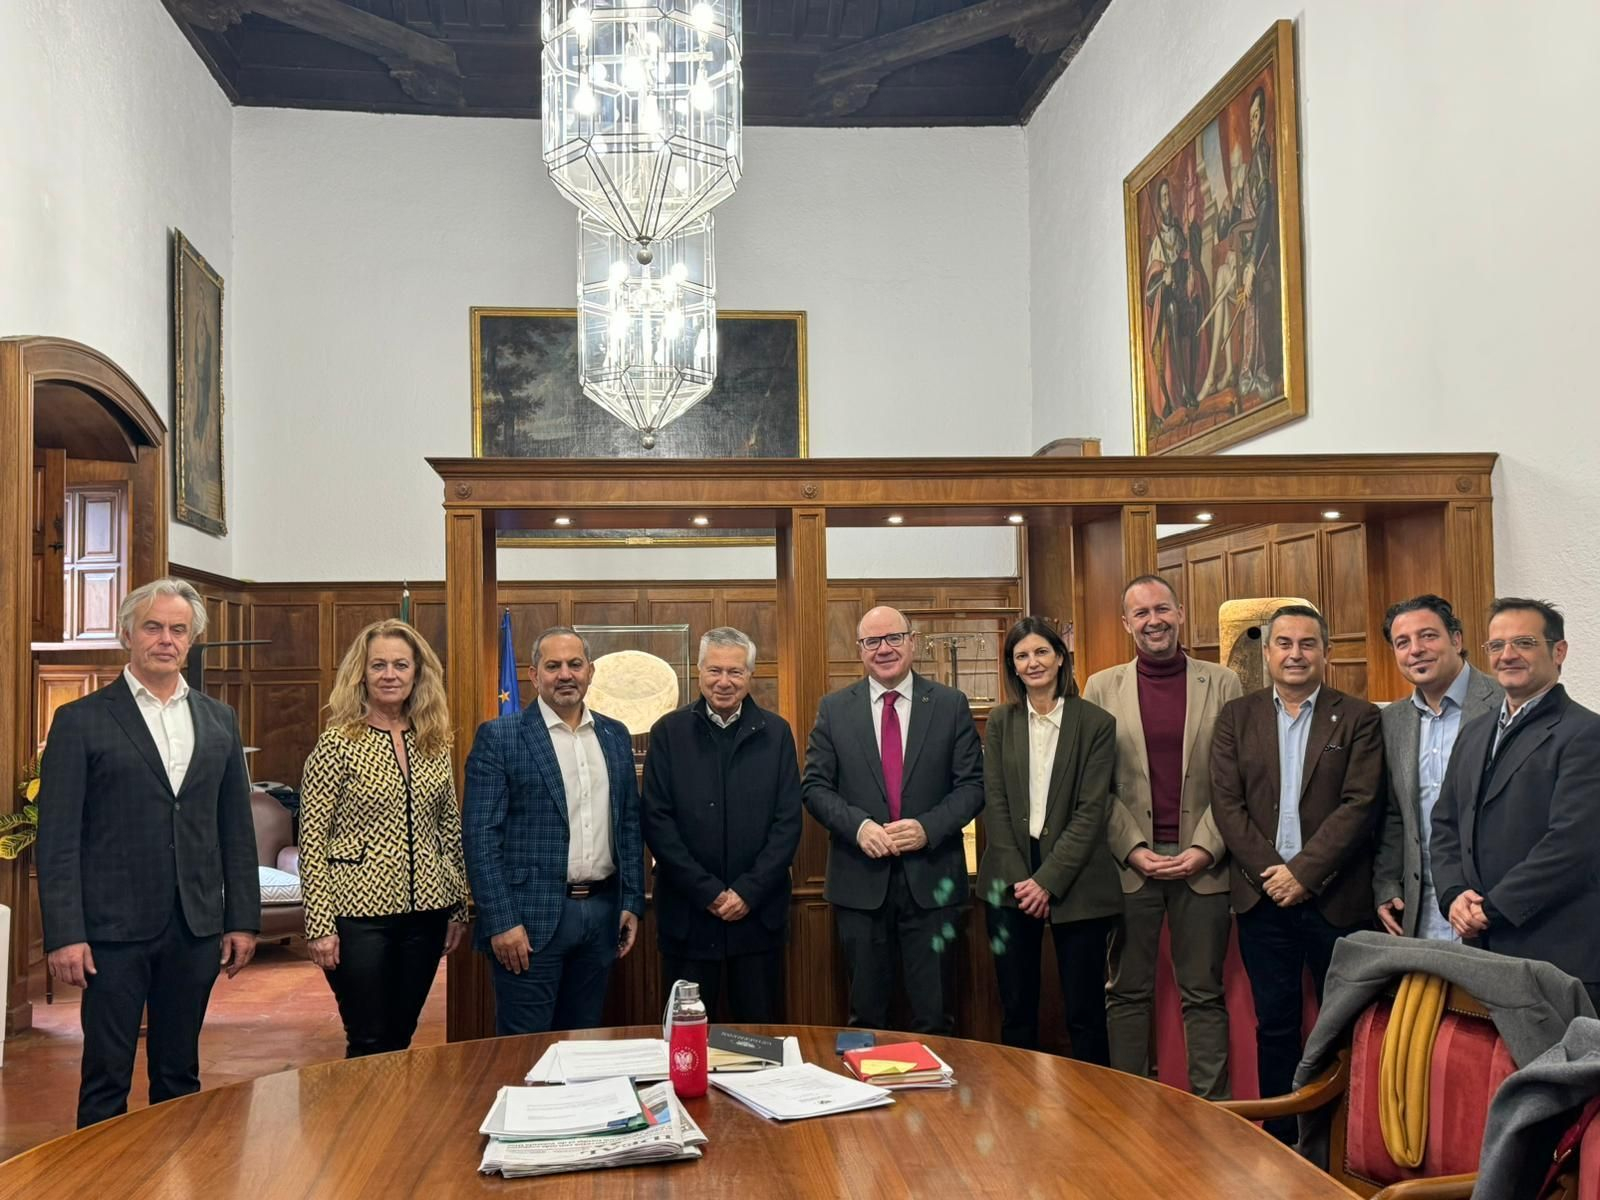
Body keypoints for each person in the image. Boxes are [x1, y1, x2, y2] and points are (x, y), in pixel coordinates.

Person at [37, 578, 259, 1127]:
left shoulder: (219, 719)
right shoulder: (80, 720)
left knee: (180, 1074)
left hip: (194, 926)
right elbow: (58, 839)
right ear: (127, 635)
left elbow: (236, 829)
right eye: (153, 627)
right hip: (111, 932)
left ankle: (175, 1168)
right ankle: (100, 1170)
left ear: (192, 640)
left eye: (178, 630)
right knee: (106, 1075)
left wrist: (242, 920)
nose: (166, 639)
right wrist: (65, 934)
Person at [1209, 604, 1383, 1138]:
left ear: (1326, 652)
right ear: (1266, 653)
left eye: (1307, 644)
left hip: (1336, 899)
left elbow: (1360, 804)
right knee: (1276, 1025)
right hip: (1263, 900)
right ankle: (1280, 1139)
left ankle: (1337, 1141)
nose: (1295, 654)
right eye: (1284, 643)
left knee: (1342, 1027)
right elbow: (1227, 805)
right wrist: (1274, 874)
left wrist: (1303, 874)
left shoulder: (1358, 717)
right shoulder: (1237, 717)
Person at [1084, 576, 1240, 1098]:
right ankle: (1129, 1107)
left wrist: (1204, 848)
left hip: (1205, 864)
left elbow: (1234, 779)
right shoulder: (1101, 687)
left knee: (1204, 994)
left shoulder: (1223, 682)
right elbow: (1095, 786)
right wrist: (1132, 849)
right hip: (1131, 866)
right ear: (1126, 623)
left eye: (1162, 609)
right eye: (1142, 613)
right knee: (1127, 992)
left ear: (1181, 612)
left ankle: (1213, 1110)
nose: (1154, 620)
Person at [802, 606, 984, 1035]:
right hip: (859, 882)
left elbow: (973, 787)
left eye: (893, 638)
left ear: (912, 642)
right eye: (872, 641)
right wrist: (859, 827)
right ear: (860, 649)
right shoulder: (834, 709)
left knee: (935, 1016)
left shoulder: (949, 705)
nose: (883, 649)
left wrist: (927, 829)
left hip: (933, 882)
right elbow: (814, 787)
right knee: (866, 1017)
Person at [298, 619, 468, 1057]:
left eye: (400, 665)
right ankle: (362, 1105)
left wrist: (457, 907)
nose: (389, 675)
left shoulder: (434, 742)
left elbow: (448, 828)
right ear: (362, 673)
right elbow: (311, 841)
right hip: (357, 916)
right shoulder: (337, 744)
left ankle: (392, 1104)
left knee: (401, 1034)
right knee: (369, 1037)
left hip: (427, 913)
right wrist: (319, 926)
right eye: (378, 665)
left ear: (417, 673)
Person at [462, 626, 643, 1035]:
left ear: (590, 671)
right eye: (553, 665)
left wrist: (631, 900)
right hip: (528, 922)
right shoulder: (500, 737)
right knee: (525, 1047)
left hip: (602, 915)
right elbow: (480, 837)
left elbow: (628, 824)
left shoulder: (614, 735)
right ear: (533, 674)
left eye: (575, 664)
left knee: (583, 1040)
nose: (565, 674)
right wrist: (501, 921)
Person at [1431, 599, 1600, 1008]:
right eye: (1496, 645)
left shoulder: (1585, 733)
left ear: (1558, 652)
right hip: (1482, 948)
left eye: (1524, 643)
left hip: (1556, 953)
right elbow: (1446, 824)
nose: (1507, 655)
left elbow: (1571, 846)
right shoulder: (1474, 732)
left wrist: (1491, 909)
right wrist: (1453, 894)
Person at [641, 627, 803, 1023]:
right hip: (688, 918)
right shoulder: (668, 732)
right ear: (699, 672)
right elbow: (657, 822)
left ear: (750, 675)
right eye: (715, 670)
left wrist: (747, 891)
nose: (724, 681)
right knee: (687, 1038)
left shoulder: (776, 733)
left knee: (760, 1040)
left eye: (735, 671)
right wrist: (709, 893)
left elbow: (787, 823)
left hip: (757, 919)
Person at [977, 617, 1120, 1060]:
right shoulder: (1000, 722)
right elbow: (995, 803)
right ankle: (1018, 1100)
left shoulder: (1096, 723)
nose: (1032, 662)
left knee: (1085, 1012)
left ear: (1060, 658)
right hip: (1010, 879)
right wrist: (1023, 881)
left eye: (1041, 652)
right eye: (1021, 656)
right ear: (1012, 666)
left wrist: (1047, 881)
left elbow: (1091, 811)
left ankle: (1092, 1103)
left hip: (1078, 879)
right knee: (1016, 1009)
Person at [1373, 595, 1501, 940]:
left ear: (1456, 640)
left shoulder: (1504, 702)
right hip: (1420, 906)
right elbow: (1394, 814)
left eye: (1428, 636)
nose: (1416, 650)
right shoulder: (1392, 721)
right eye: (1402, 642)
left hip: (1488, 904)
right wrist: (1387, 883)